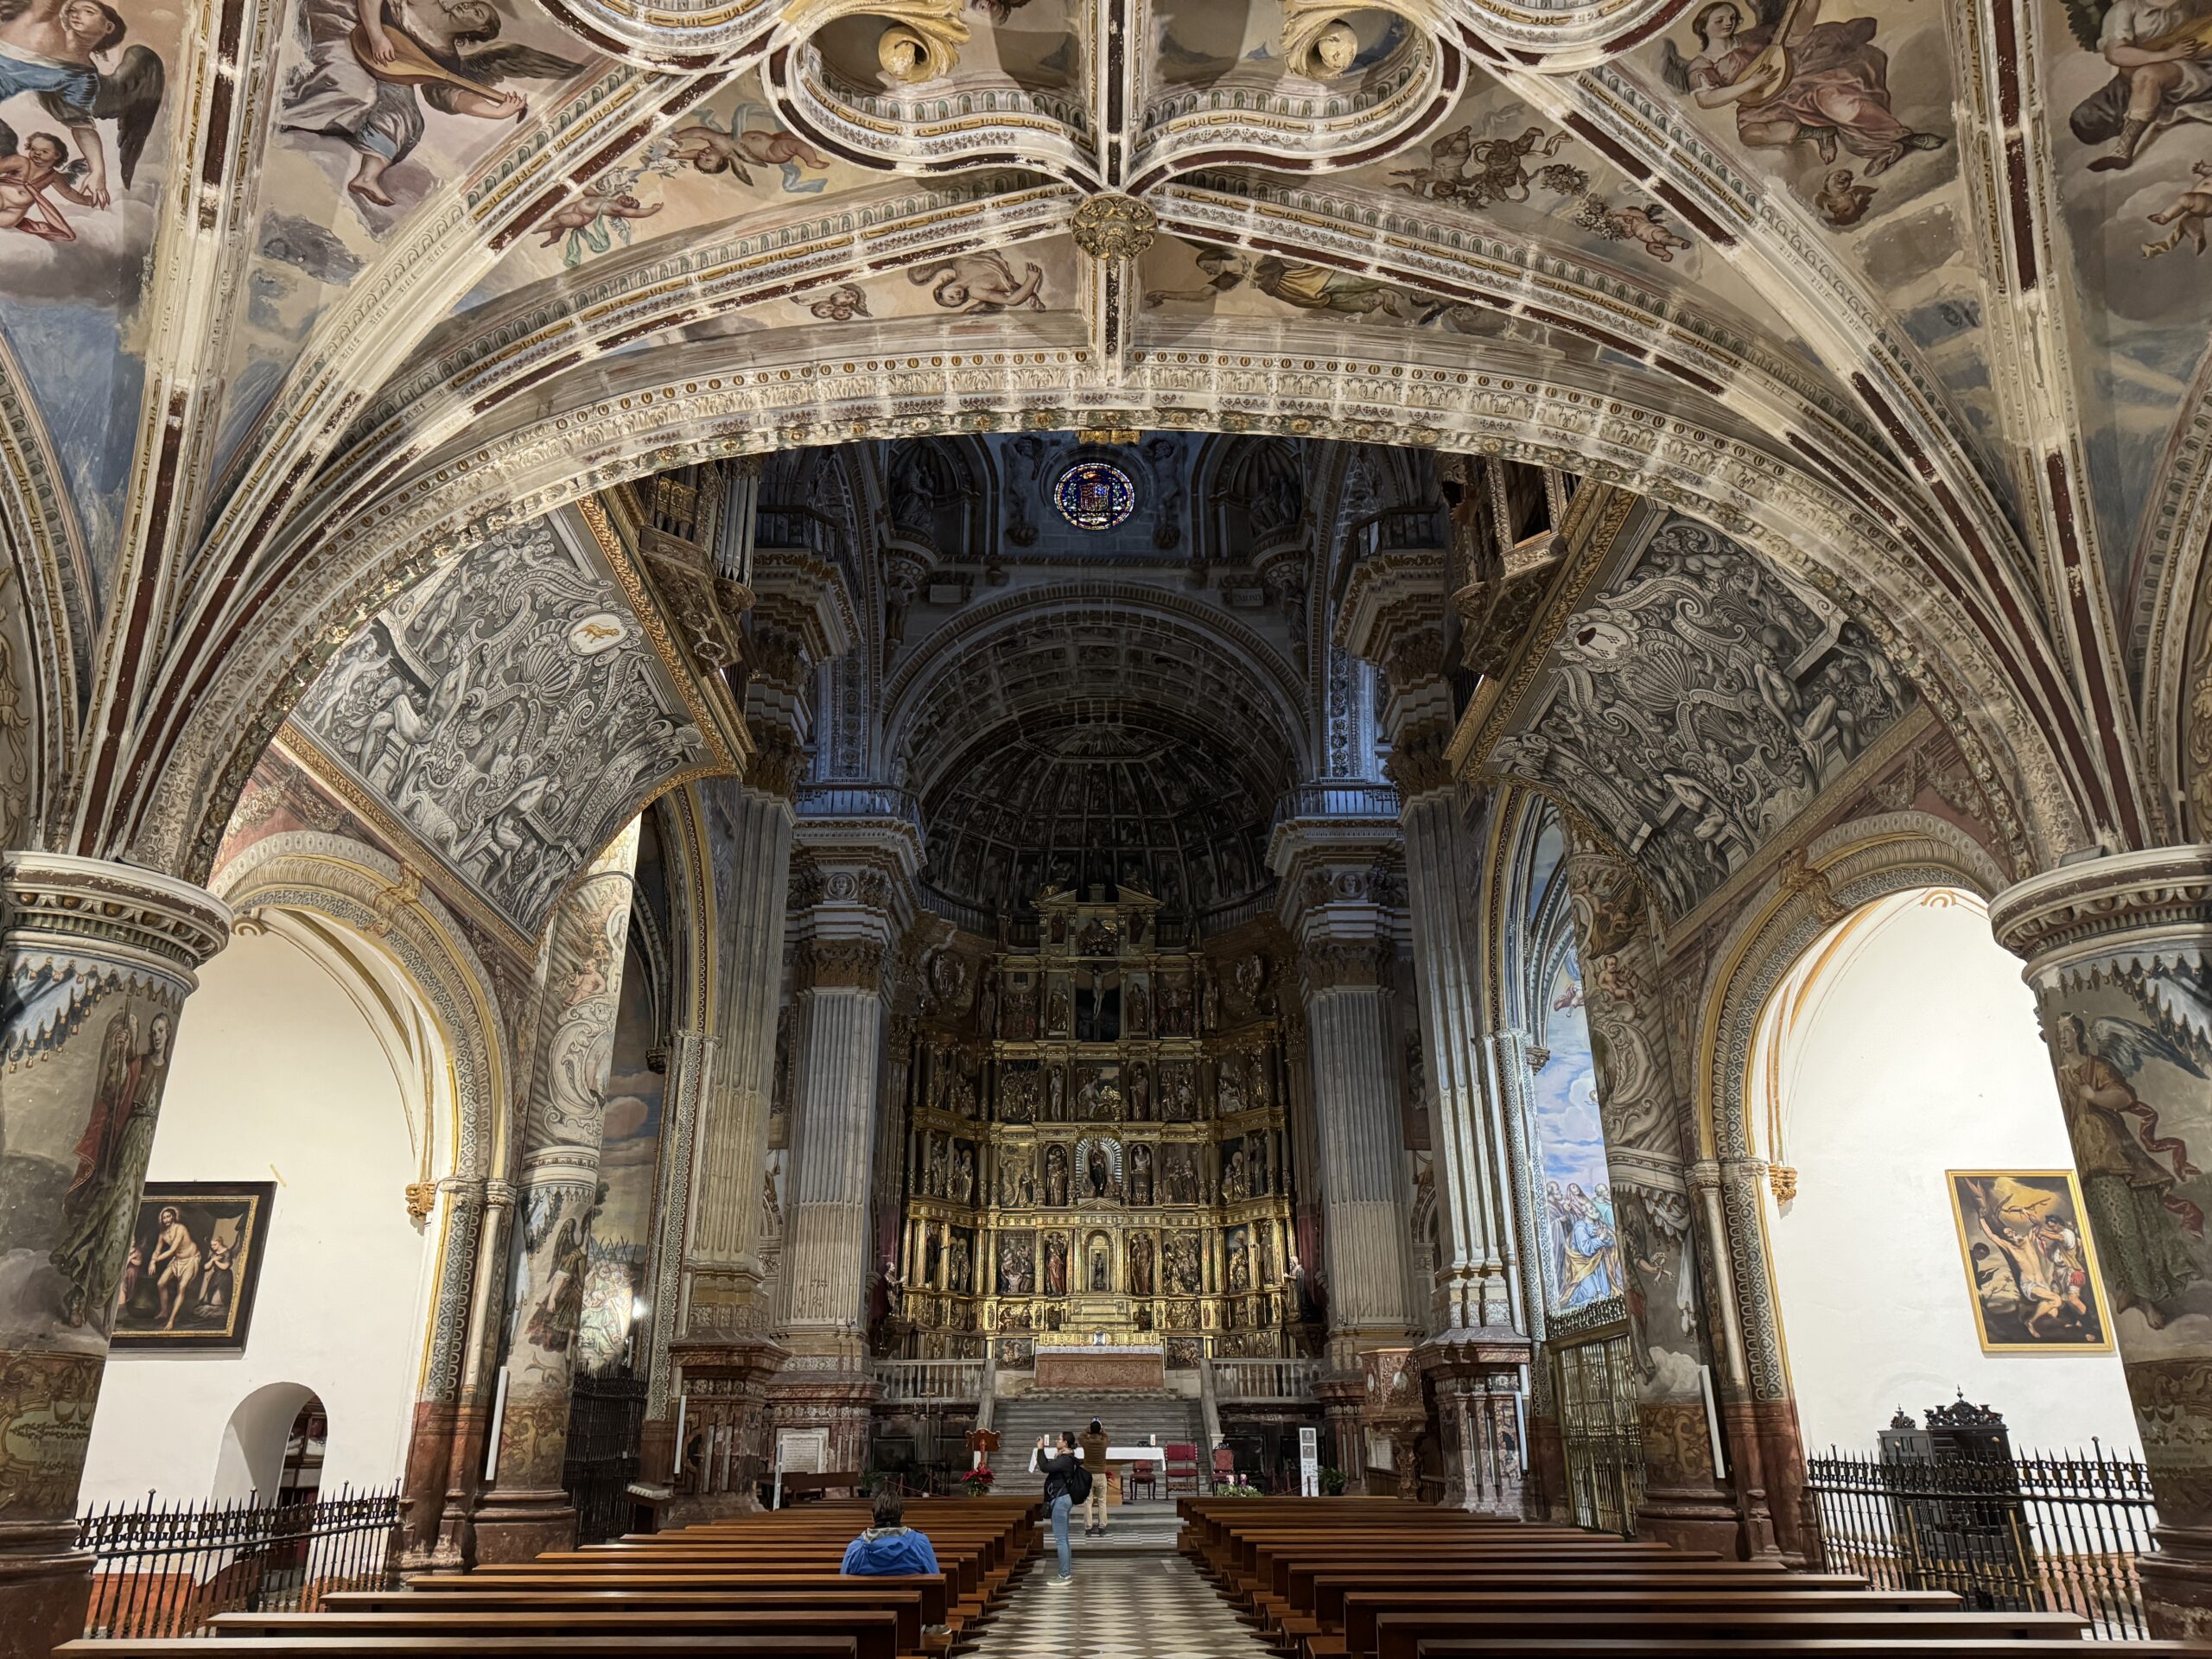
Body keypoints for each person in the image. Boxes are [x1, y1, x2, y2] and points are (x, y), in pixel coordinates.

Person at [840, 1492, 940, 1576]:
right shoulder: (920, 1543)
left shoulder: (855, 1549)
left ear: (872, 1516)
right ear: (902, 1515)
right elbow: (935, 1579)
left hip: (867, 1600)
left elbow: (843, 1586)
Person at [1036, 1432, 1083, 1584]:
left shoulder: (1066, 1459)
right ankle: (1065, 1573)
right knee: (1064, 1539)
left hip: (1061, 1500)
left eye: (1060, 1439)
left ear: (1066, 1444)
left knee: (1061, 1539)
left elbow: (1044, 1467)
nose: (1057, 1441)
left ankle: (1064, 1575)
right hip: (1062, 1499)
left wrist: (1040, 1449)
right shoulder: (1065, 1458)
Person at [1079, 1417, 1110, 1536]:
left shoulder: (1086, 1443)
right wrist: (1103, 1431)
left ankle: (1088, 1528)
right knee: (1102, 1502)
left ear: (1091, 1430)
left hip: (1088, 1475)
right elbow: (1108, 1438)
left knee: (1088, 1502)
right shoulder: (1103, 1443)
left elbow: (1080, 1437)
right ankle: (1102, 1527)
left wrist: (1088, 1430)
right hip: (1100, 1475)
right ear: (1100, 1431)